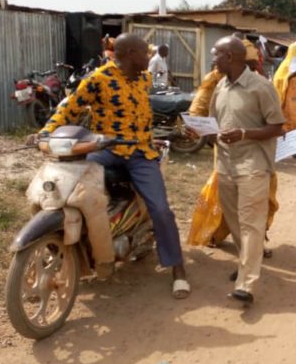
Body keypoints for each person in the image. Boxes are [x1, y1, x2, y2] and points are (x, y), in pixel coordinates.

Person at [39, 33, 190, 298]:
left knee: (161, 209)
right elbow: (69, 109)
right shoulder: (98, 80)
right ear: (131, 54)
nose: (149, 57)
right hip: (105, 150)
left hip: (141, 152)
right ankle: (70, 255)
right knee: (74, 191)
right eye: (145, 52)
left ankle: (177, 269)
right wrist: (46, 132)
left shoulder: (144, 79)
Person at [209, 36, 285, 304]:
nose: (212, 59)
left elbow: (277, 127)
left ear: (230, 57)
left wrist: (244, 133)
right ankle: (245, 264)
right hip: (226, 165)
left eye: (215, 54)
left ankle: (247, 283)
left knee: (251, 223)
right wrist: (200, 131)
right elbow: (214, 124)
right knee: (235, 222)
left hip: (253, 165)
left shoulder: (260, 87)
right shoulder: (220, 85)